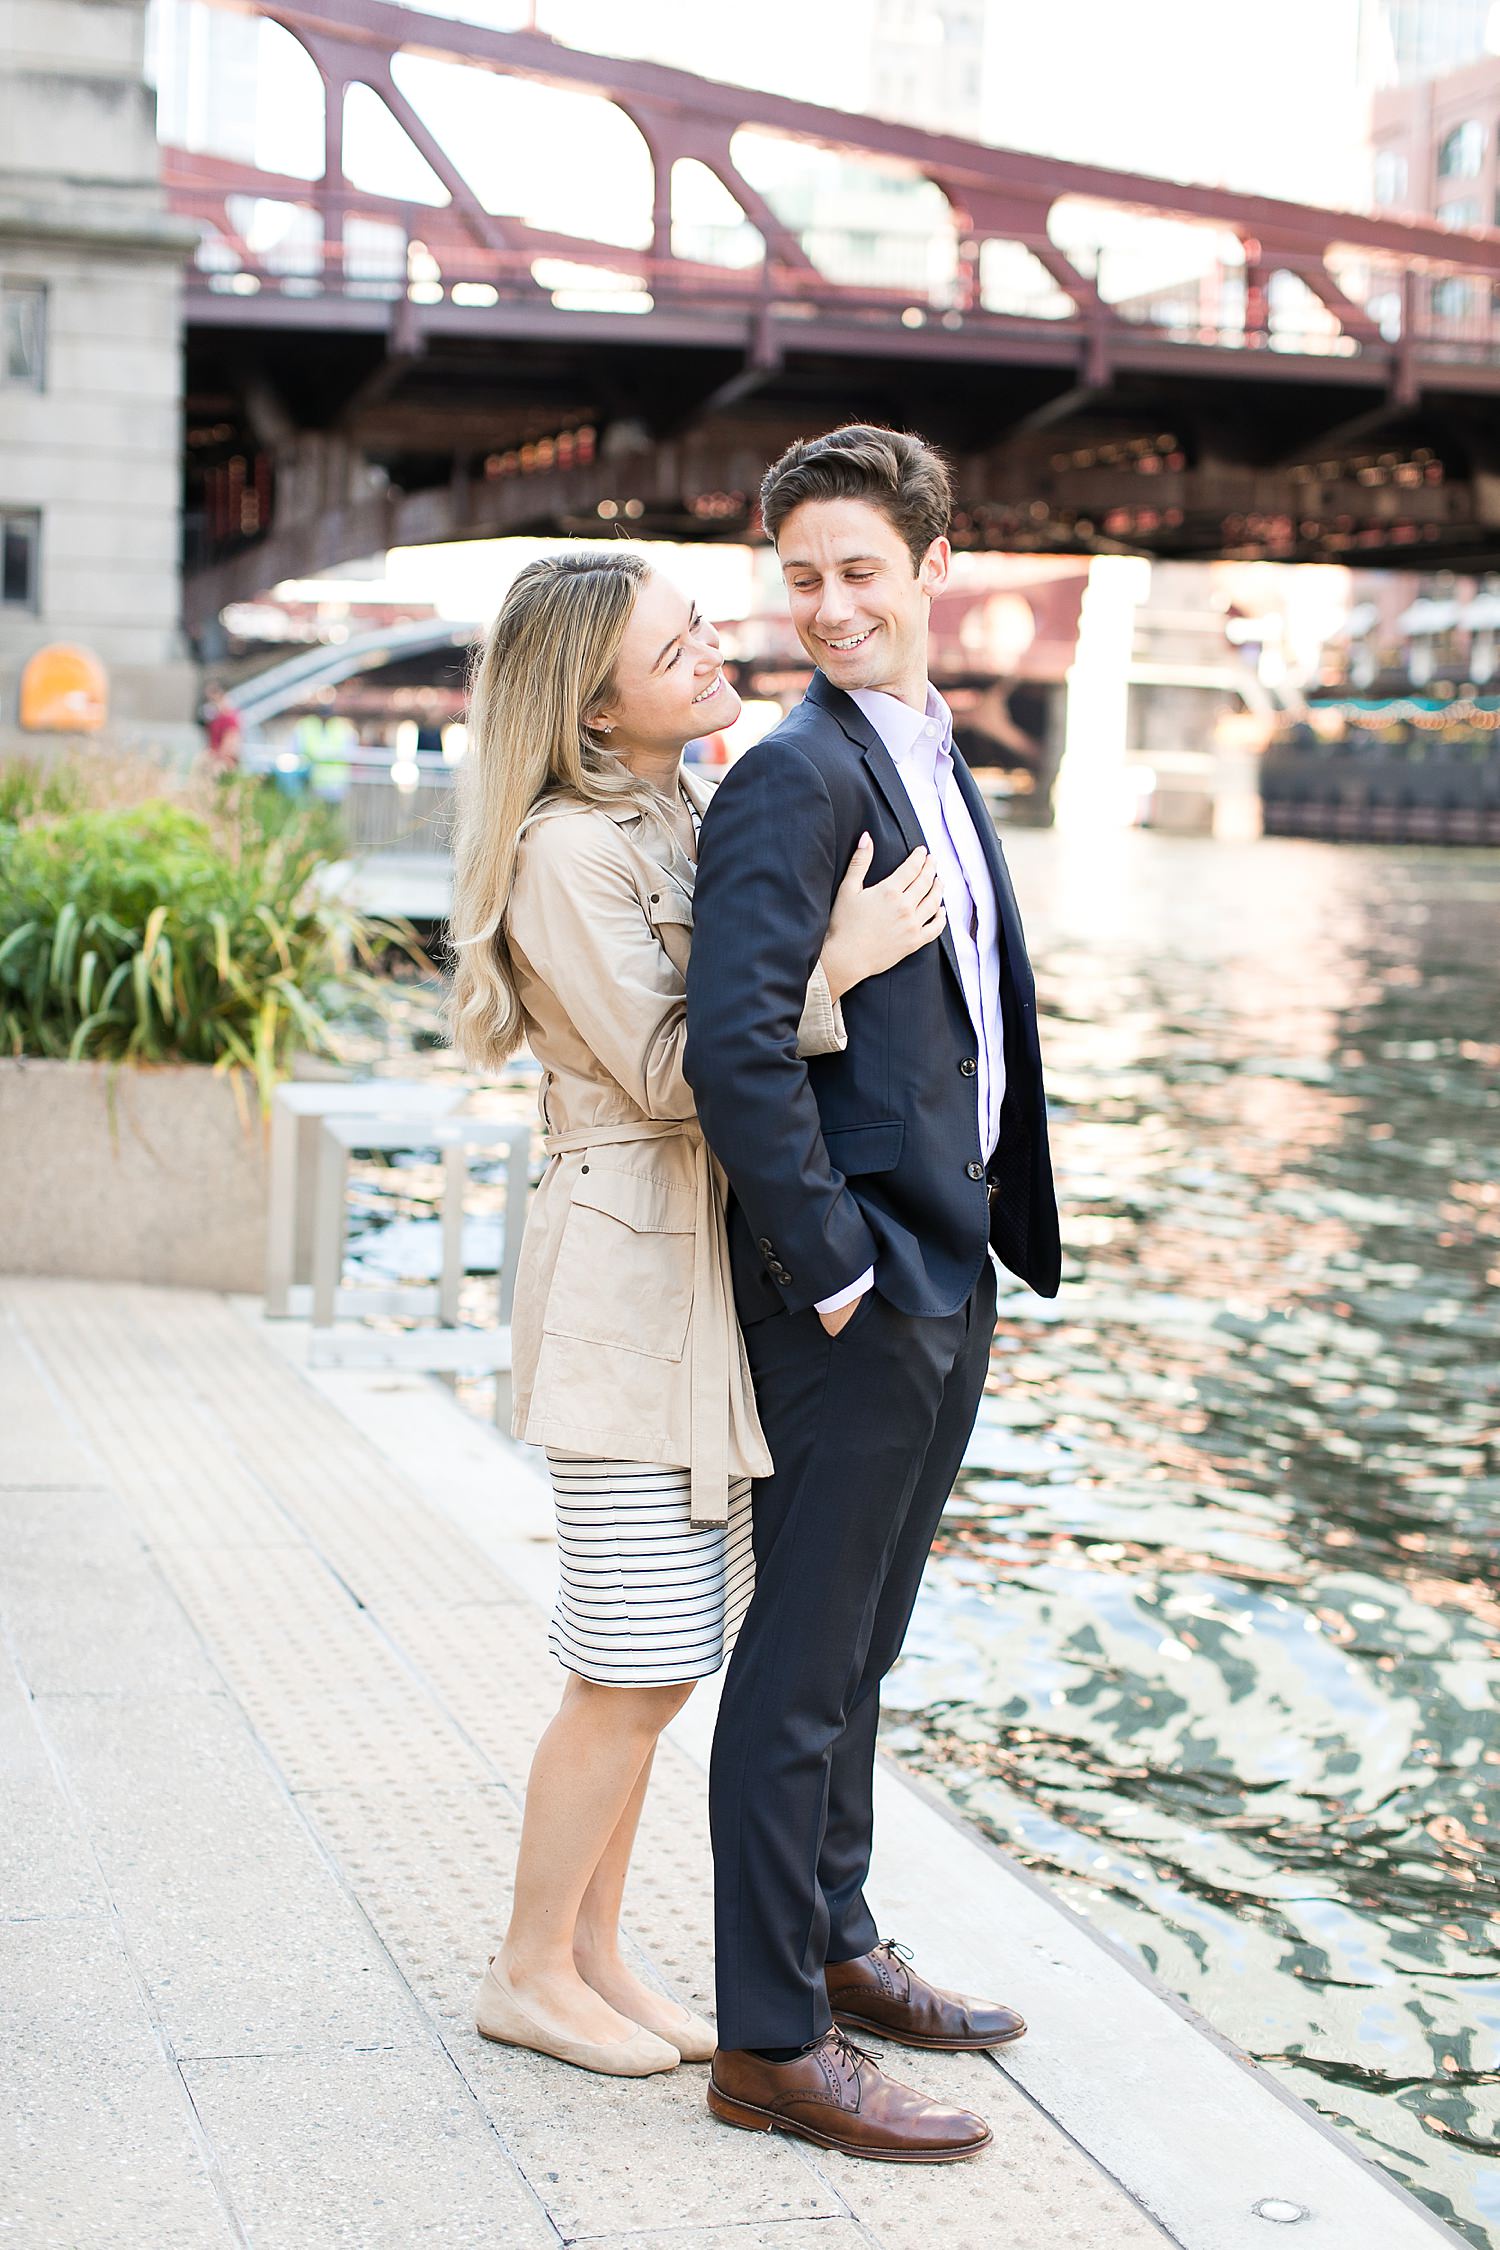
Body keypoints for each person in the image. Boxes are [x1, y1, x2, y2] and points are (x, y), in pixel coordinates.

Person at [447, 548, 947, 2079]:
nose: (717, 650)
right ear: (594, 701)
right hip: (619, 1280)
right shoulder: (561, 853)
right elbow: (678, 1068)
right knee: (635, 1662)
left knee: (661, 1654)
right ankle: (528, 1966)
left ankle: (598, 1953)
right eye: (678, 645)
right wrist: (834, 967)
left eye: (702, 628)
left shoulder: (666, 810)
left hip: (687, 1280)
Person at [685, 426, 1062, 2161]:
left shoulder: (925, 749)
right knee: (801, 1665)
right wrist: (836, 1269)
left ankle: (837, 1946)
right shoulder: (797, 769)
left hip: (946, 1260)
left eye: (860, 572)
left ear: (931, 565)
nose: (830, 609)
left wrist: (961, 1240)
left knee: (868, 1647)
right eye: (804, 578)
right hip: (860, 1289)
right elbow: (733, 1047)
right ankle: (769, 2038)